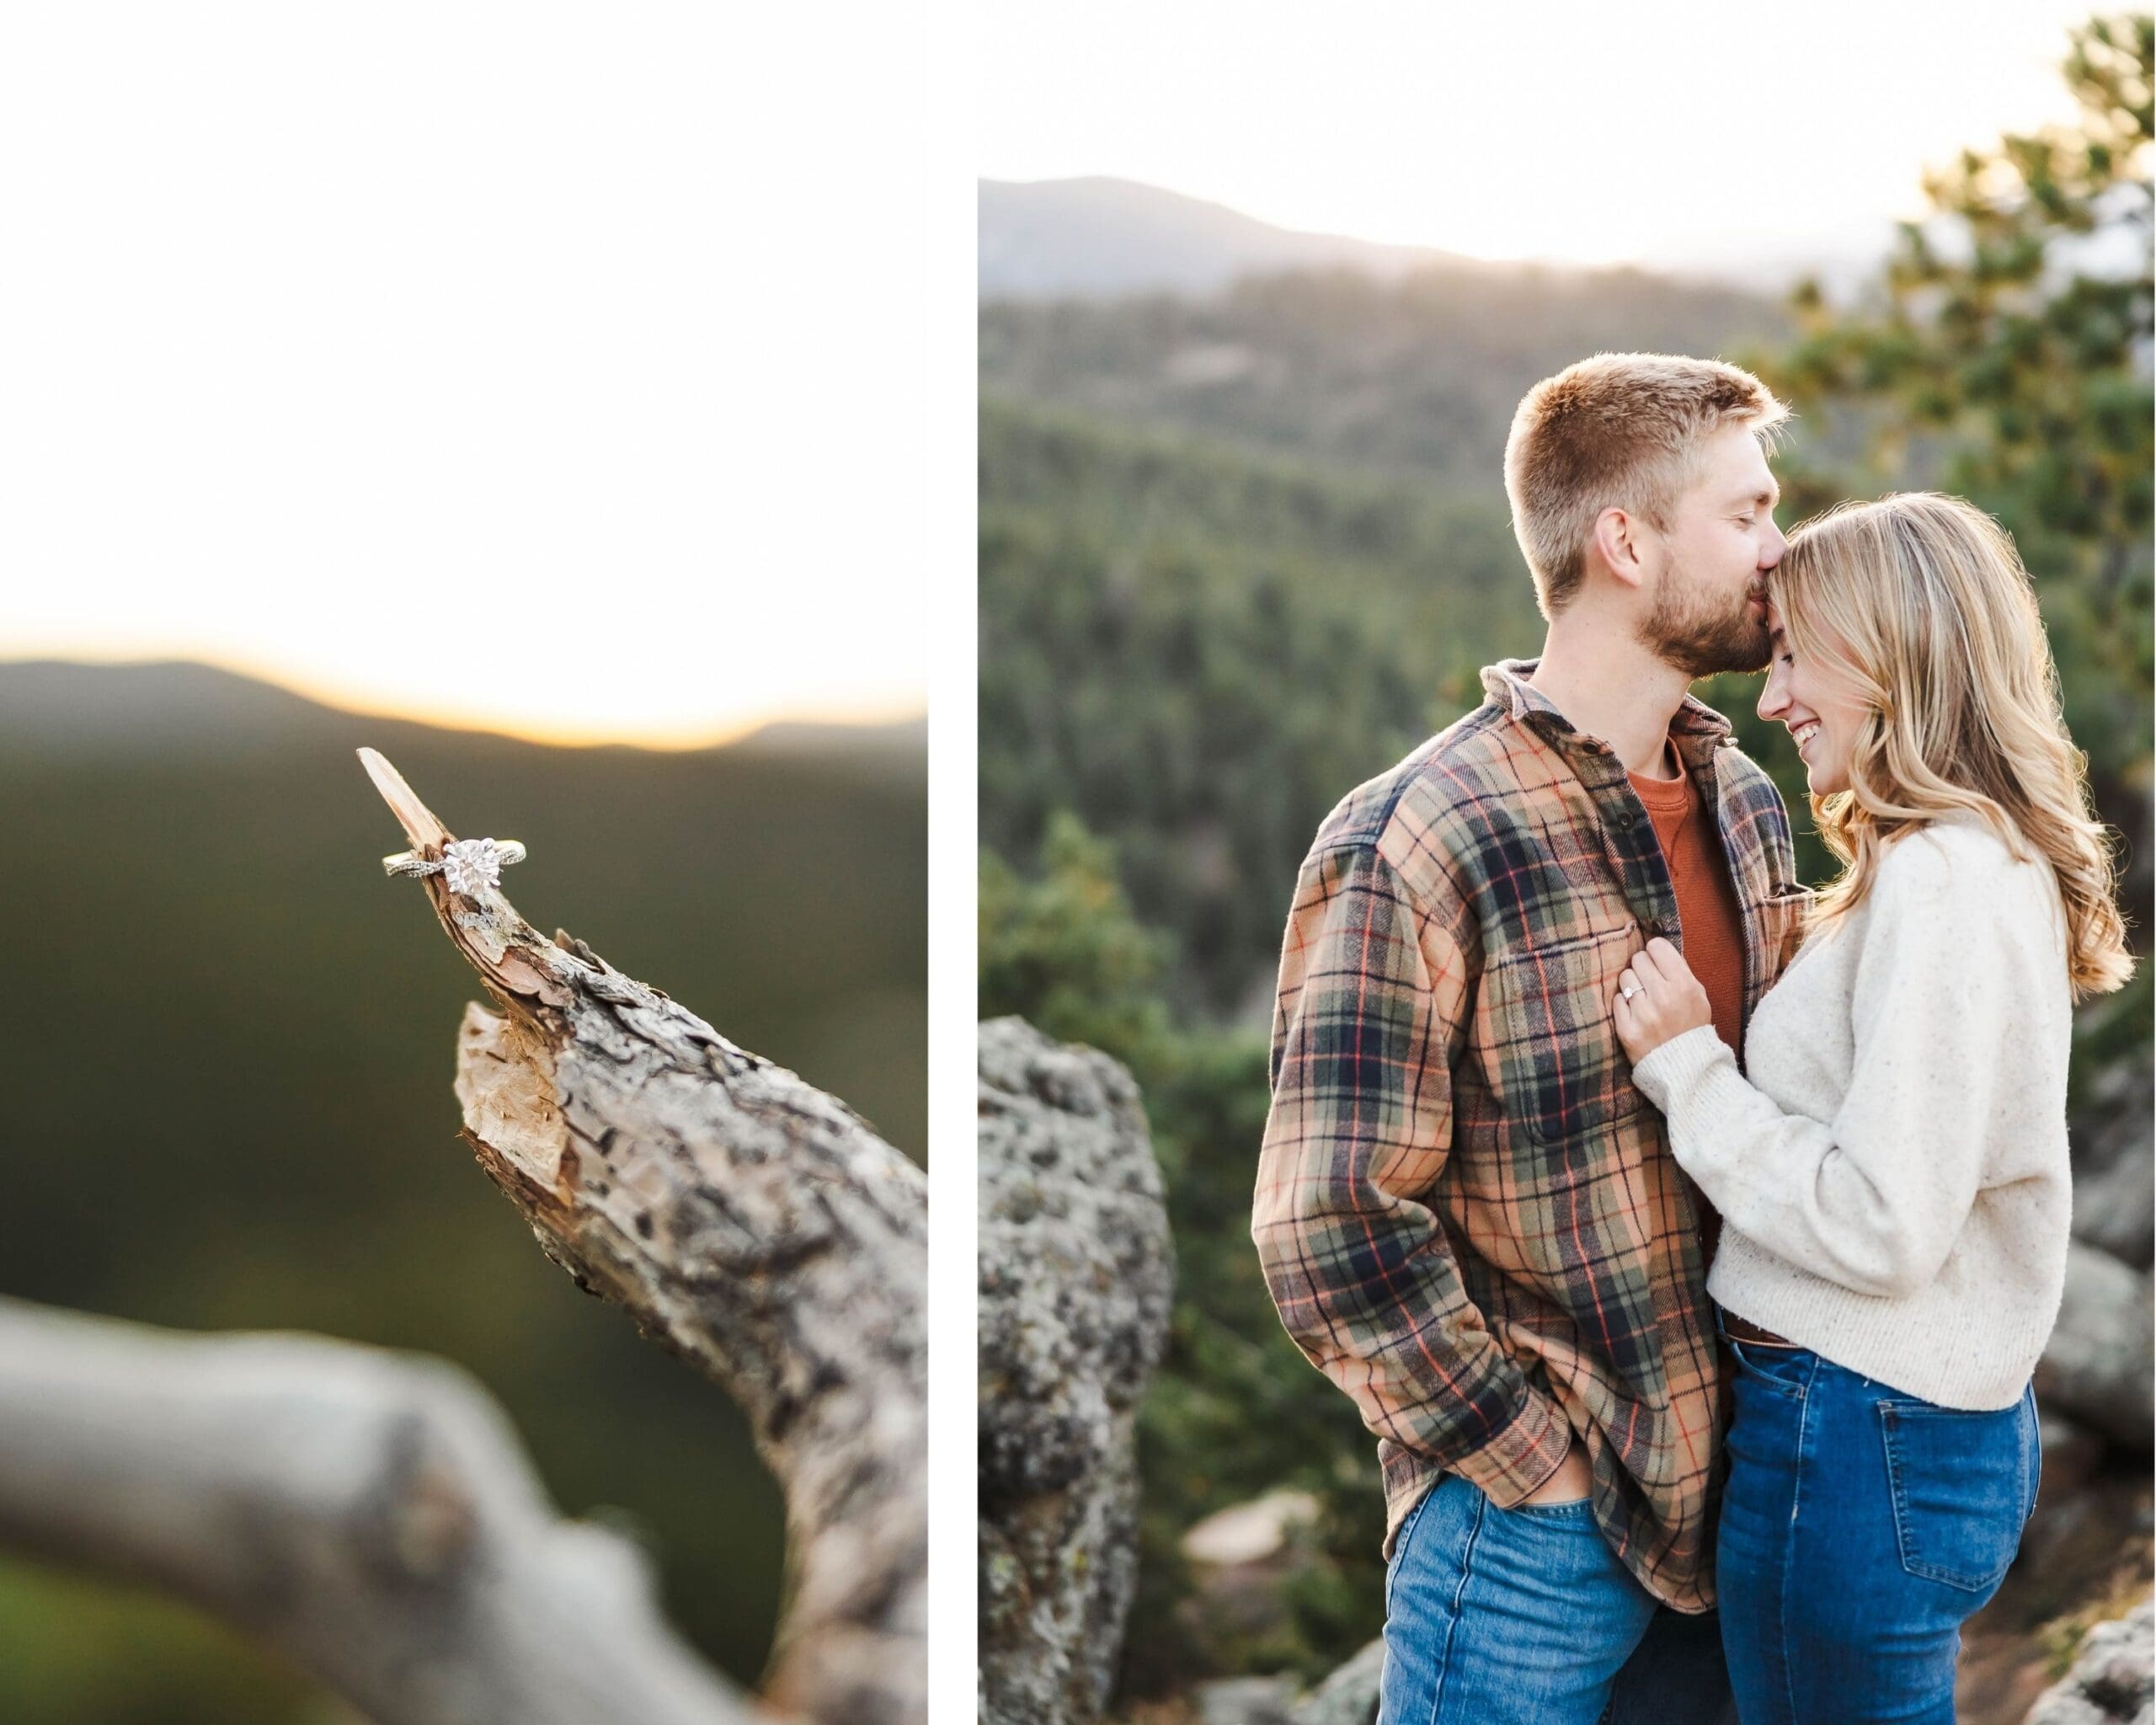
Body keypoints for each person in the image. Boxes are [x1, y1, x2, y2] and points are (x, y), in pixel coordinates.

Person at [1253, 351, 1812, 1725]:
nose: (1778, 548)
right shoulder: (1418, 834)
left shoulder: (1743, 800)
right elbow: (1324, 1218)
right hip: (1532, 1536)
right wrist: (1525, 1459)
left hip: (1740, 1499)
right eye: (1745, 514)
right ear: (1625, 541)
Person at [1611, 492, 2132, 1724]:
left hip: (1851, 1438)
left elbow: (1887, 1222)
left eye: (1796, 655)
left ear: (1891, 654)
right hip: (1885, 1434)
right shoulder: (1948, 862)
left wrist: (1689, 1069)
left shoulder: (1948, 877)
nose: (1773, 693)